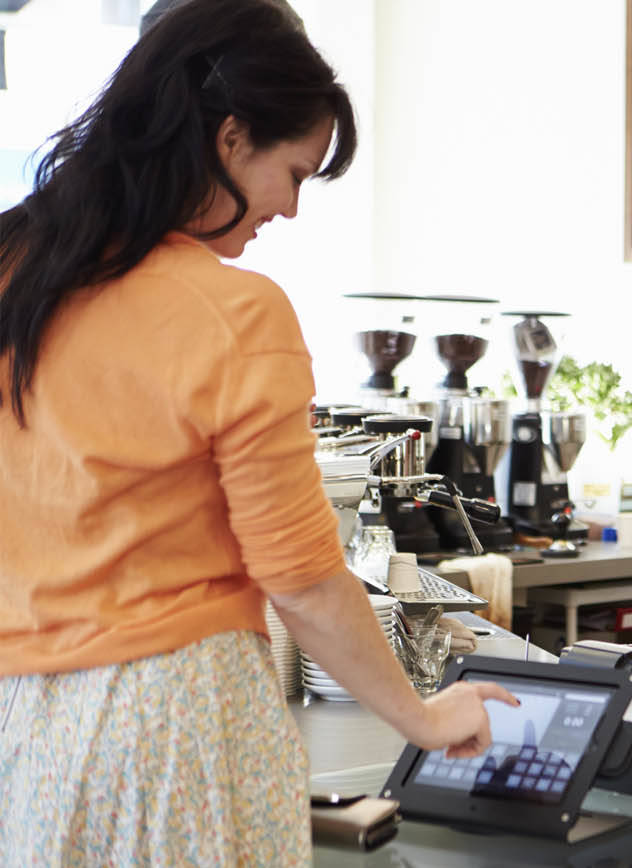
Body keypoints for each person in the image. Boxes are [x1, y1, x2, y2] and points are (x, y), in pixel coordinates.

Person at [0, 2, 515, 864]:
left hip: (26, 732)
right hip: (176, 733)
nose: (291, 209)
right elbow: (306, 583)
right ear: (231, 139)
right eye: (298, 173)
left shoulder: (20, 273)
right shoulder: (234, 313)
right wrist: (423, 717)